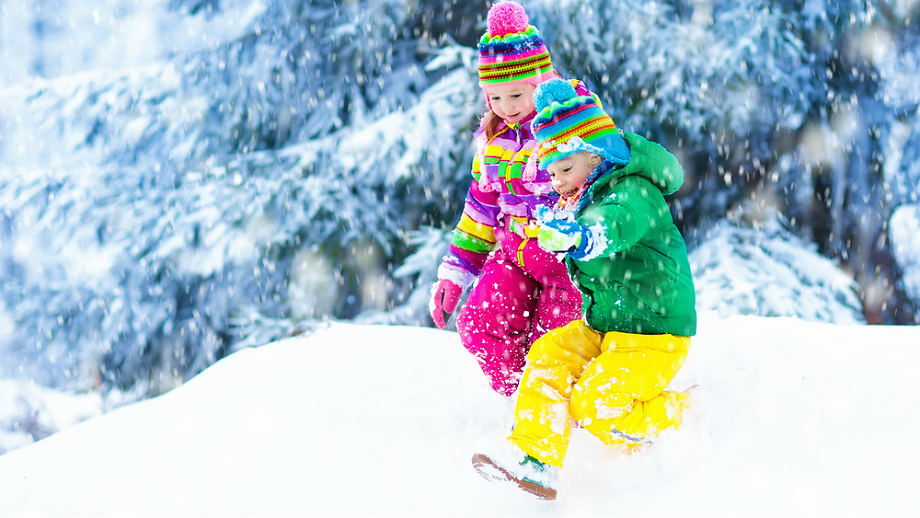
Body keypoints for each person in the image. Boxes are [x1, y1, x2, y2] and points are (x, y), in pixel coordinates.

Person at [471, 78, 698, 500]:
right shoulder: (580, 195)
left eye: (564, 169)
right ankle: (537, 462)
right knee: (547, 355)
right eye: (552, 172)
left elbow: (617, 224)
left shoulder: (634, 190)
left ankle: (681, 414)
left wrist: (583, 237)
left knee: (595, 406)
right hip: (605, 326)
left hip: (655, 334)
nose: (556, 181)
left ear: (596, 155)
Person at [430, 1, 589, 396]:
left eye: (516, 94)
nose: (507, 108)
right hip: (515, 254)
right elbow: (479, 213)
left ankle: (561, 408)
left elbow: (601, 184)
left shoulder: (570, 133)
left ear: (541, 81)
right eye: (495, 99)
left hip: (565, 263)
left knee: (554, 344)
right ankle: (522, 400)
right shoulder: (494, 144)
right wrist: (456, 271)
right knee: (480, 324)